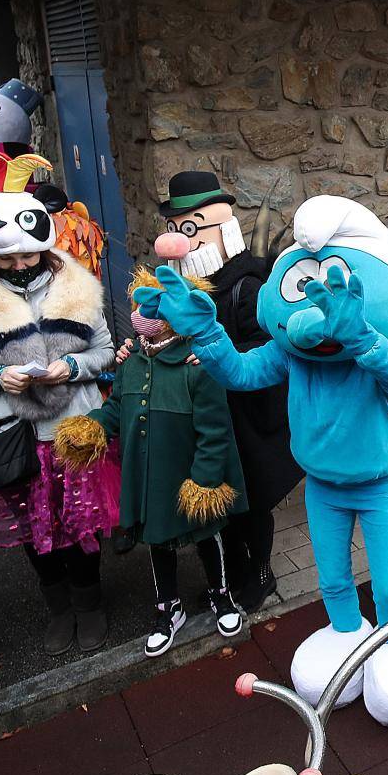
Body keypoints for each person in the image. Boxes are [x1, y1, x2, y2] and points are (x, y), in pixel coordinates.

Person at [138, 195, 388, 727]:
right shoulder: (289, 352)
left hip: (378, 484)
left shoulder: (381, 341)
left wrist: (361, 336)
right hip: (321, 484)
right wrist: (206, 333)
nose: (313, 309)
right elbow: (239, 373)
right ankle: (346, 634)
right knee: (332, 580)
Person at [0, 189, 120, 655]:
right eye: (6, 259)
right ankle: (59, 608)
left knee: (81, 527)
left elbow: (102, 350)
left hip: (70, 431)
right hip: (9, 436)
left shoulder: (75, 285)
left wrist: (75, 368)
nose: (20, 265)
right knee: (29, 529)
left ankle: (89, 603)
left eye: (27, 254)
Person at [56, 267, 248, 657]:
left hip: (189, 473)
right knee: (157, 543)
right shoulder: (131, 359)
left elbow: (216, 431)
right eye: (141, 307)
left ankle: (221, 594)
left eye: (155, 309)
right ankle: (168, 609)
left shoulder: (198, 364)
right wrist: (91, 428)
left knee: (206, 536)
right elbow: (114, 409)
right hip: (149, 476)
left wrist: (206, 480)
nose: (144, 317)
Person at [153, 171, 300, 613]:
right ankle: (228, 574)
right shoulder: (178, 288)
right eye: (175, 229)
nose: (181, 241)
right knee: (218, 505)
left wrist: (221, 353)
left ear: (221, 229)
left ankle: (259, 572)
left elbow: (266, 349)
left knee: (250, 504)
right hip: (204, 418)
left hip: (246, 422)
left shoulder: (246, 286)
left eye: (192, 228)